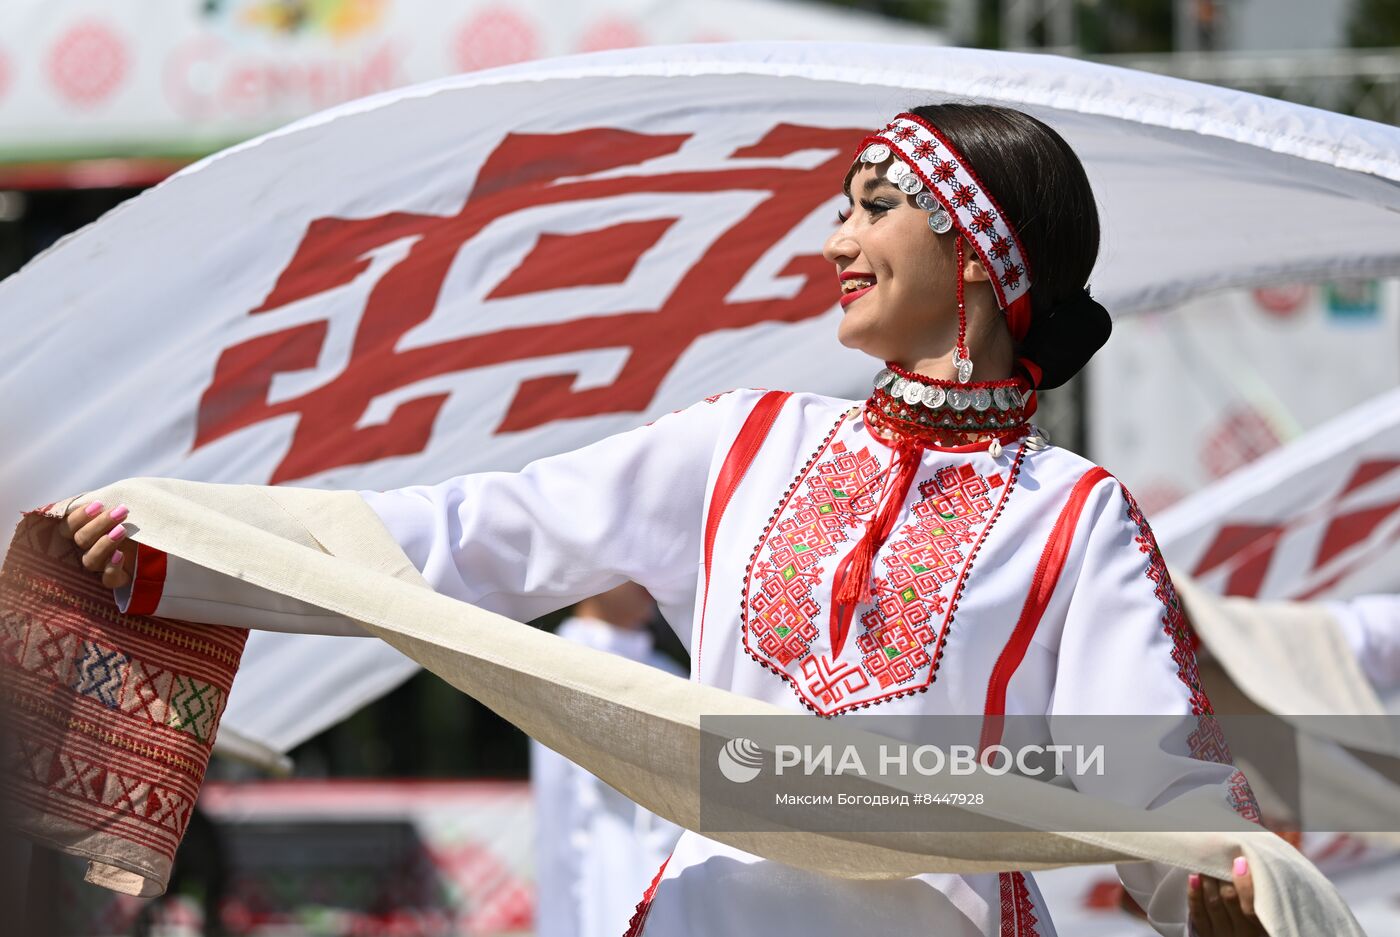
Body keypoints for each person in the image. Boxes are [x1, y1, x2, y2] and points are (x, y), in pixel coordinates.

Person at [65, 104, 1270, 936]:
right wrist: (185, 547)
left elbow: (1150, 786)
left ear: (972, 243)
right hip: (711, 906)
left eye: (869, 207)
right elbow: (459, 540)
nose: (834, 240)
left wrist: (1224, 900)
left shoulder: (1074, 514)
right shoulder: (745, 441)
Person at [531, 584, 684, 937]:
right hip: (604, 884)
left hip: (671, 883)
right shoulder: (559, 659)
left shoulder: (671, 671)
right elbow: (564, 816)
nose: (647, 579)